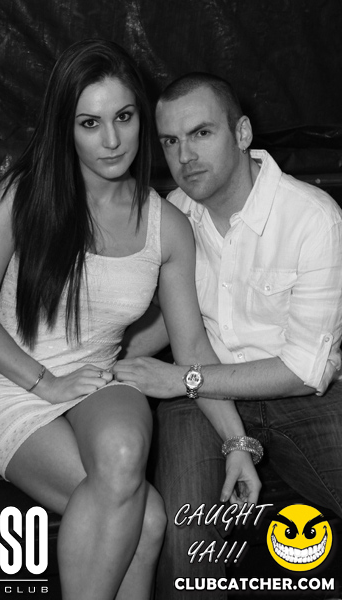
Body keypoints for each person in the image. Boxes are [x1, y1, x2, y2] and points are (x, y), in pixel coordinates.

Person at [0, 45, 260, 600]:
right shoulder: (25, 196)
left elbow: (191, 346)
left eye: (124, 117)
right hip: (15, 388)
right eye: (90, 123)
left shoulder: (167, 225)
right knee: (149, 521)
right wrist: (48, 383)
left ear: (141, 117)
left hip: (99, 381)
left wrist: (238, 445)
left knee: (122, 453)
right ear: (66, 128)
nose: (111, 140)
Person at [114, 72, 342, 599]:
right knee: (184, 546)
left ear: (241, 133)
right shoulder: (172, 216)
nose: (184, 156)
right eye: (170, 141)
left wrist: (183, 379)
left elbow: (304, 372)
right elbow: (165, 323)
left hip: (302, 399)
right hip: (200, 405)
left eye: (201, 133)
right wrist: (75, 368)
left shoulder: (313, 219)